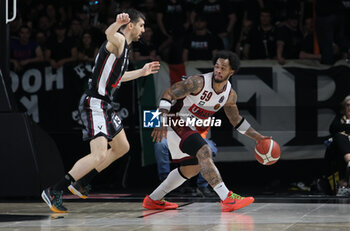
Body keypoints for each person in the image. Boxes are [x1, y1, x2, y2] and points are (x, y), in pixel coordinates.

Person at [41, 9, 160, 213]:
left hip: (105, 103)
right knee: (99, 155)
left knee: (122, 147)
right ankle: (54, 190)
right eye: (141, 25)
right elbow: (108, 34)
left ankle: (81, 182)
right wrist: (116, 23)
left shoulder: (125, 48)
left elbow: (117, 78)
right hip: (94, 102)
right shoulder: (119, 40)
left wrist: (141, 72)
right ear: (130, 25)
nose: (143, 30)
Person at [143, 50, 270, 212]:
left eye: (223, 68)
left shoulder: (229, 95)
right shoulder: (198, 82)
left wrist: (259, 138)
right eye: (216, 66)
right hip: (173, 119)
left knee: (192, 167)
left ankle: (153, 199)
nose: (218, 70)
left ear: (231, 71)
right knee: (204, 151)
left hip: (187, 125)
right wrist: (160, 120)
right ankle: (226, 197)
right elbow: (168, 93)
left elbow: (236, 120)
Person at [325, 95, 350, 196]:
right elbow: (333, 129)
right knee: (339, 137)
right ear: (344, 107)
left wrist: (346, 129)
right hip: (341, 153)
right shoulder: (340, 119)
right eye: (348, 105)